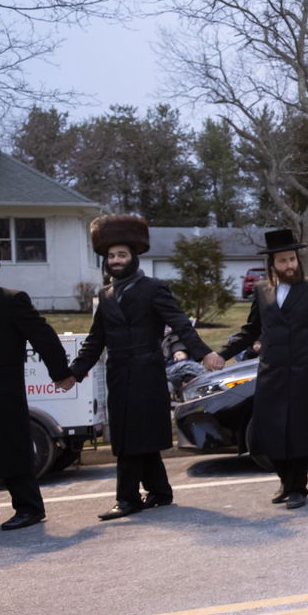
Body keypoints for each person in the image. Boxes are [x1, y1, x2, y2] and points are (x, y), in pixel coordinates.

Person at [71, 214, 224, 520]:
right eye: (111, 255)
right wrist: (73, 372)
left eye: (122, 255)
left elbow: (179, 323)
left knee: (132, 438)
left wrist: (204, 354)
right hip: (119, 374)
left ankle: (128, 499)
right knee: (133, 435)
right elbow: (95, 339)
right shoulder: (106, 294)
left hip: (147, 372)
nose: (116, 260)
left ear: (133, 258)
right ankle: (160, 492)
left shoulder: (153, 287)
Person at [218, 229, 308, 509]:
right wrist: (222, 355)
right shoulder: (262, 291)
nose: (289, 265)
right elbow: (250, 331)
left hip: (304, 374)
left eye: (292, 259)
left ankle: (299, 488)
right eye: (283, 261)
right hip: (272, 373)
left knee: (299, 431)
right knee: (271, 432)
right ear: (273, 264)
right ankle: (285, 481)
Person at [0, 245, 74, 531]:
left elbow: (42, 336)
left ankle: (29, 508)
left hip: (2, 390)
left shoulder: (11, 300)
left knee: (13, 447)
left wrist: (60, 373)